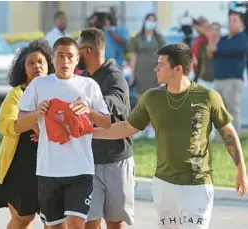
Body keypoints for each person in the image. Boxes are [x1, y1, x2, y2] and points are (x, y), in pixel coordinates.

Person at [93, 43, 248, 229]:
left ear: (178, 69)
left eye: (161, 64)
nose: (155, 68)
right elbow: (127, 127)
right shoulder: (151, 98)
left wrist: (241, 170)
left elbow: (228, 133)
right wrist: (89, 132)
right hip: (164, 185)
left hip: (198, 185)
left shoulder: (208, 97)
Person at [16, 37, 111, 229]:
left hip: (80, 170)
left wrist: (89, 111)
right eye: (60, 56)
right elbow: (20, 123)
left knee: (77, 225)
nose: (65, 61)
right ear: (52, 58)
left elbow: (107, 122)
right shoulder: (39, 85)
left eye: (70, 56)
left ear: (78, 59)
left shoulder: (89, 86)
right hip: (48, 170)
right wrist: (37, 112)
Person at [0, 39, 55, 229]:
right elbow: (5, 124)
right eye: (31, 63)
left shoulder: (58, 89)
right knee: (22, 219)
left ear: (49, 64)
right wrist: (32, 123)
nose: (37, 66)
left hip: (53, 163)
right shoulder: (17, 94)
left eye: (40, 62)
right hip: (21, 166)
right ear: (23, 69)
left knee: (55, 220)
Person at [77, 28, 134, 229]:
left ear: (87, 51)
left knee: (114, 224)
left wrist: (91, 108)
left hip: (115, 161)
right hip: (87, 162)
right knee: (89, 223)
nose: (75, 55)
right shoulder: (81, 79)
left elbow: (116, 101)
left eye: (77, 50)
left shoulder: (114, 77)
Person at [212, 11, 247, 135]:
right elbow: (211, 52)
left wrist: (217, 48)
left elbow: (228, 50)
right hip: (218, 79)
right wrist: (212, 38)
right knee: (218, 110)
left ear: (242, 24)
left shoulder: (242, 39)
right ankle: (219, 137)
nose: (230, 23)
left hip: (232, 80)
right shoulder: (222, 39)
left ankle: (234, 136)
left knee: (232, 110)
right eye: (229, 20)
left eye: (234, 20)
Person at [129, 13, 166, 97]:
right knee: (140, 98)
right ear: (144, 22)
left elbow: (164, 58)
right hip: (141, 72)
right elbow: (133, 57)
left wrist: (162, 73)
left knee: (154, 97)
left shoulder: (159, 38)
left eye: (153, 21)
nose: (150, 22)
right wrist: (132, 74)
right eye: (149, 20)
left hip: (154, 73)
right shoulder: (137, 38)